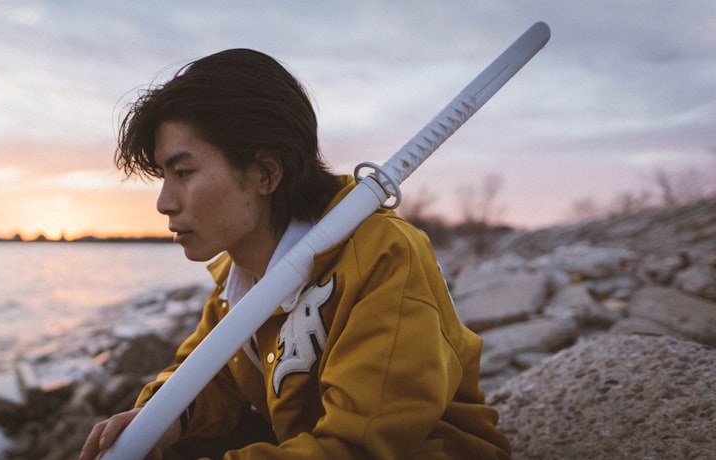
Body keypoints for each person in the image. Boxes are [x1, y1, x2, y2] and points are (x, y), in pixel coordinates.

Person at [80, 48, 510, 459]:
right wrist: (159, 419)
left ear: (265, 172)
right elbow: (211, 375)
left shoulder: (383, 255)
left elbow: (362, 448)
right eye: (163, 177)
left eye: (183, 172)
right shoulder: (240, 274)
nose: (164, 203)